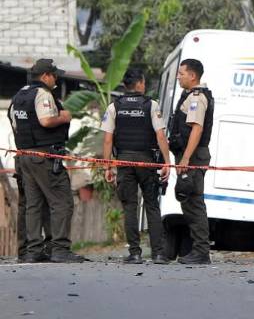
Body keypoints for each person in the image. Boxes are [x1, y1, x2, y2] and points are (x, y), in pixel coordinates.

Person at [8, 58, 85, 263]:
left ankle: (33, 251)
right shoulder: (42, 94)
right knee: (62, 201)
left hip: (25, 156)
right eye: (54, 75)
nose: (56, 78)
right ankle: (59, 249)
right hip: (45, 157)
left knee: (33, 204)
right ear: (45, 76)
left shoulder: (18, 96)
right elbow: (46, 120)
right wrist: (65, 116)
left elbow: (15, 125)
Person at [101, 68, 171, 265]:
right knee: (152, 206)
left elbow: (107, 140)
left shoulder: (114, 106)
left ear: (125, 85)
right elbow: (160, 136)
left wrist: (107, 167)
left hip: (124, 162)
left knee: (130, 207)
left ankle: (135, 254)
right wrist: (166, 162)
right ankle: (158, 254)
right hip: (147, 162)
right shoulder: (152, 105)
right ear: (139, 83)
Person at [168, 59, 214, 264]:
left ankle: (201, 252)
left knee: (194, 203)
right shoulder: (190, 96)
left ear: (193, 76)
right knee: (189, 201)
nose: (179, 76)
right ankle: (198, 250)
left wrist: (186, 157)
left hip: (193, 156)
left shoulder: (197, 97)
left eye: (182, 73)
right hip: (189, 155)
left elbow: (197, 128)